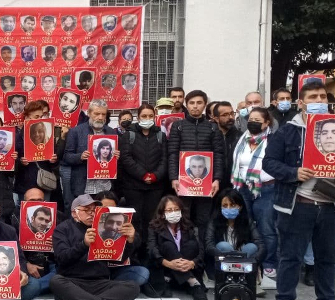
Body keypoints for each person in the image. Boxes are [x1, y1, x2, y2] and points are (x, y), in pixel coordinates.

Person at [263, 80, 335, 300]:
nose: (319, 101)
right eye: (313, 97)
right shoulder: (287, 131)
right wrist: (293, 172)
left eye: (322, 97)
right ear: (301, 103)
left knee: (327, 257)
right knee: (290, 257)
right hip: (298, 204)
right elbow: (269, 163)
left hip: (333, 206)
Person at [50, 194, 138, 300]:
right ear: (74, 213)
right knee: (56, 281)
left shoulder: (104, 228)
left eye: (94, 210)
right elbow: (62, 259)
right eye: (87, 210)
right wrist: (83, 244)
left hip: (99, 283)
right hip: (72, 282)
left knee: (133, 287)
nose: (91, 213)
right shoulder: (62, 229)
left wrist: (129, 241)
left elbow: (117, 259)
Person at [167, 89, 225, 266]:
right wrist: (173, 178)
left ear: (205, 105)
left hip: (206, 184)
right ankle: (183, 258)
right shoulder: (178, 126)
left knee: (204, 222)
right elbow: (172, 153)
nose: (195, 106)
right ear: (187, 104)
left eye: (199, 103)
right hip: (184, 183)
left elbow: (219, 154)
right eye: (191, 103)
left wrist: (217, 179)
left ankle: (203, 262)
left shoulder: (213, 127)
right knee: (183, 220)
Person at [229, 106, 278, 279]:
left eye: (257, 120)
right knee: (245, 224)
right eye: (250, 120)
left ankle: (269, 263)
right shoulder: (242, 139)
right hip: (243, 188)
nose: (253, 123)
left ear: (266, 123)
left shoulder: (273, 140)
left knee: (266, 227)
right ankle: (248, 258)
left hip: (266, 188)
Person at [118, 103, 167, 259]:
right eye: (144, 116)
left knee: (152, 221)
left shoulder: (161, 135)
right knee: (135, 220)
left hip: (155, 187)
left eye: (150, 116)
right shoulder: (129, 135)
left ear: (155, 117)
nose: (147, 119)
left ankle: (150, 252)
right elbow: (126, 158)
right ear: (138, 118)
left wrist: (155, 176)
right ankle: (134, 253)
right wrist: (143, 175)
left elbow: (165, 159)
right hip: (133, 186)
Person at [147, 196, 207, 300]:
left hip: (188, 266)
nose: (173, 213)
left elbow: (201, 248)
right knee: (168, 245)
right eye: (169, 210)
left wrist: (192, 263)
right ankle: (192, 282)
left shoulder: (189, 225)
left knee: (192, 244)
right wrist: (168, 263)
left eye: (176, 209)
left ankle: (172, 279)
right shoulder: (154, 226)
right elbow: (151, 248)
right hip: (165, 267)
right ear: (162, 213)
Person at [205, 189, 265, 287]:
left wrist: (253, 261)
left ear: (240, 206)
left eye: (232, 205)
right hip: (224, 259)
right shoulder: (214, 221)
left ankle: (245, 278)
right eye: (225, 206)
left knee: (252, 247)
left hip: (244, 259)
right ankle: (228, 278)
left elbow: (260, 244)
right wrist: (231, 257)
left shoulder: (247, 221)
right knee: (223, 246)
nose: (228, 208)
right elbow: (209, 246)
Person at [63, 100, 117, 204]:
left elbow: (115, 159)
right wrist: (80, 156)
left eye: (103, 114)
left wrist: (116, 156)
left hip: (105, 185)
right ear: (88, 113)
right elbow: (67, 157)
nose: (100, 117)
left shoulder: (111, 132)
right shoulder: (76, 131)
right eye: (96, 114)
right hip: (83, 185)